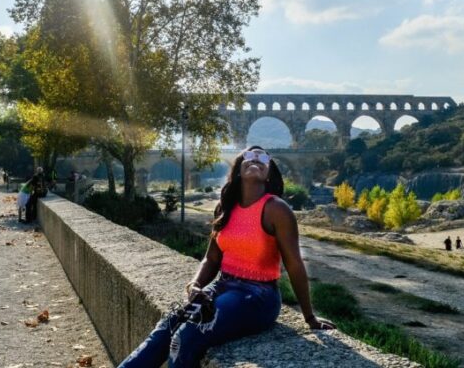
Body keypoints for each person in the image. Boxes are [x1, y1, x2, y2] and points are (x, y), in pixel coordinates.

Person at [118, 146, 335, 368]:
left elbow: (294, 264)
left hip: (259, 297)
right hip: (222, 286)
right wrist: (195, 284)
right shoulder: (225, 207)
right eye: (250, 155)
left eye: (263, 158)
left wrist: (309, 317)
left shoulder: (276, 209)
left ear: (269, 173)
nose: (256, 159)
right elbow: (211, 259)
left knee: (185, 337)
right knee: (165, 328)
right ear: (239, 169)